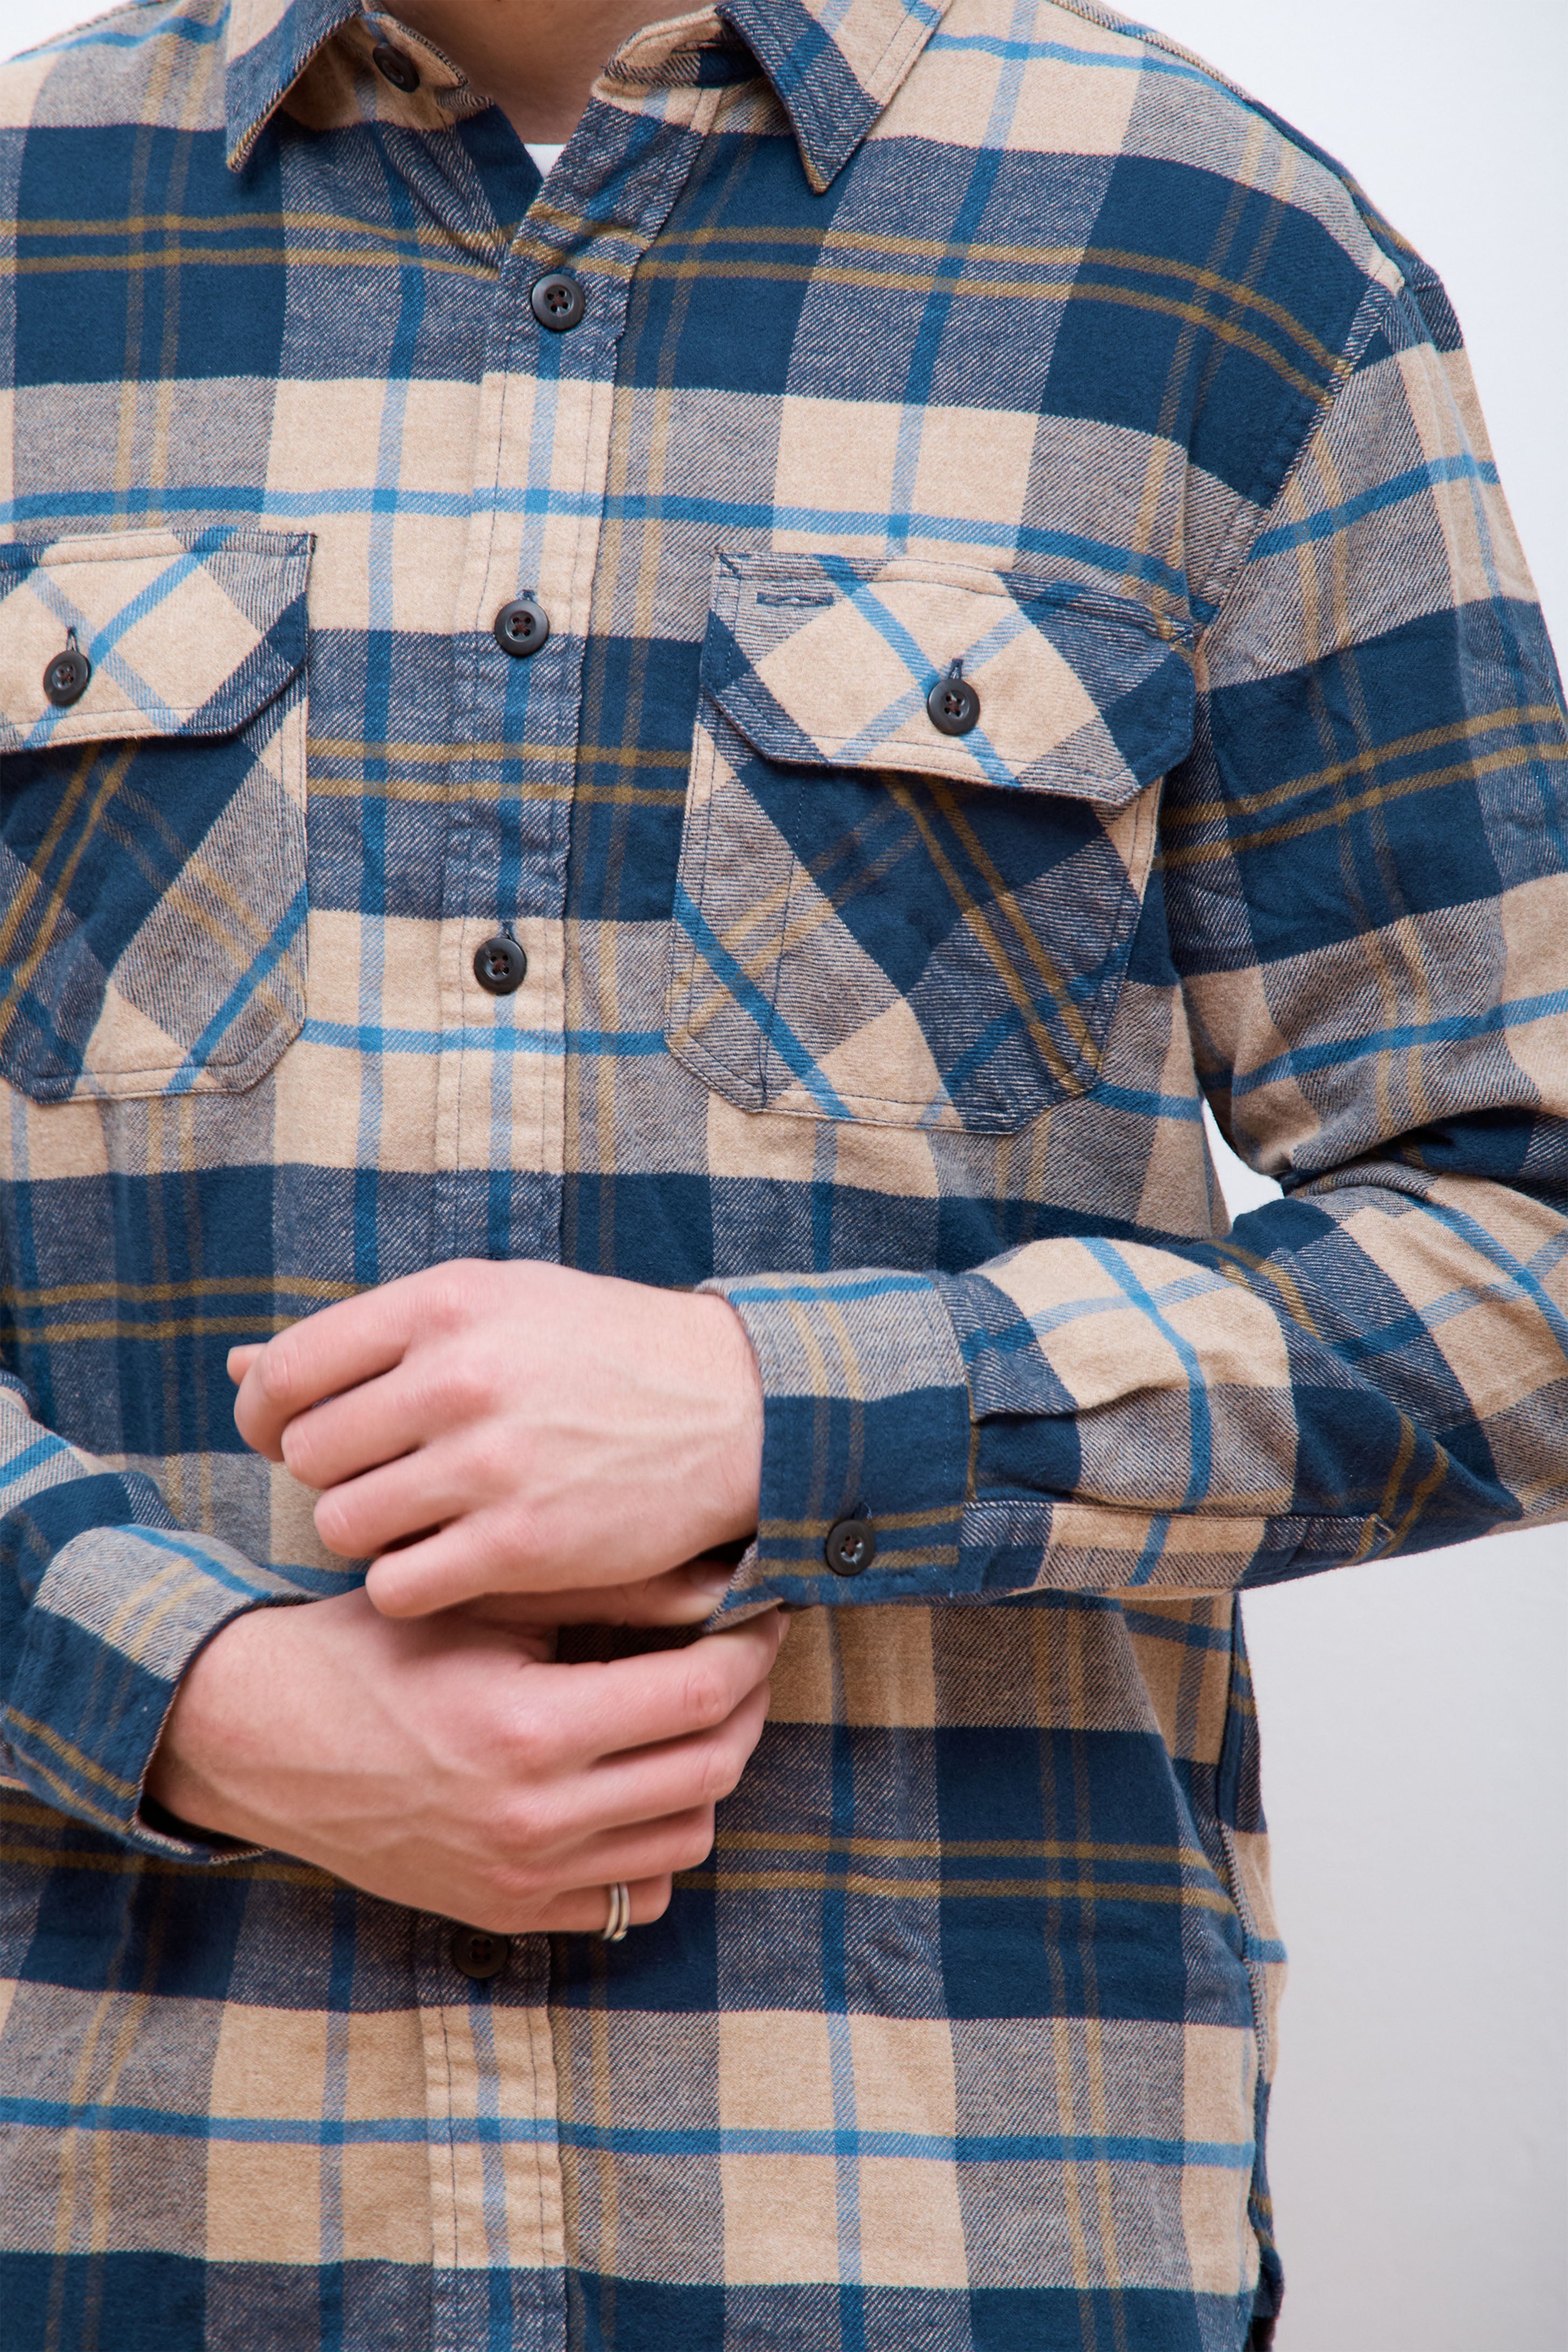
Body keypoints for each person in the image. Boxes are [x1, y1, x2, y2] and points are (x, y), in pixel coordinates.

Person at [1, 0, 1563, 2345]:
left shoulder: (1222, 262)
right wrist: (175, 1690)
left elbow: (1524, 1248)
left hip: (940, 2244)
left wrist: (787, 1416)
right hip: (127, 2225)